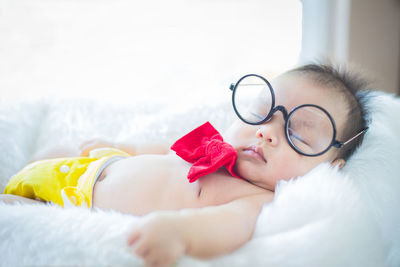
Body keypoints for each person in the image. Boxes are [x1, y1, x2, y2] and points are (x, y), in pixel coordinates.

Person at [0, 63, 369, 267]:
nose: (266, 133)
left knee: (14, 217)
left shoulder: (257, 200)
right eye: (260, 113)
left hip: (71, 205)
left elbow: (226, 225)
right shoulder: (219, 147)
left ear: (330, 168)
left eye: (298, 134)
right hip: (95, 166)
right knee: (54, 148)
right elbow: (164, 151)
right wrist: (119, 146)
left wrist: (180, 231)